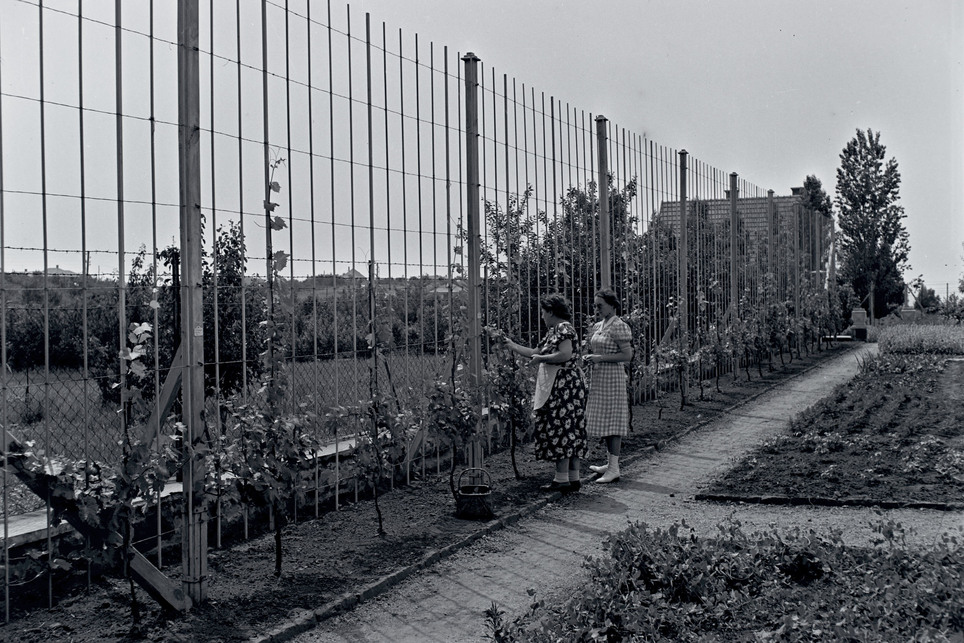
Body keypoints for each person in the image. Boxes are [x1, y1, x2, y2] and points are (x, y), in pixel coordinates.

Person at [503, 294, 587, 492]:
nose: (541, 316)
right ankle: (572, 478)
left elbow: (565, 354)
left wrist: (541, 359)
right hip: (565, 386)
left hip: (563, 387)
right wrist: (511, 345)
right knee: (570, 429)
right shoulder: (553, 331)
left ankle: (561, 480)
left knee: (561, 428)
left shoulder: (563, 328)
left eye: (543, 311)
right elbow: (535, 350)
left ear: (550, 311)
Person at [582, 288, 633, 483]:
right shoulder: (599, 326)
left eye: (600, 305)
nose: (596, 309)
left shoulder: (618, 326)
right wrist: (591, 358)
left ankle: (614, 468)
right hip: (601, 378)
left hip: (613, 378)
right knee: (605, 419)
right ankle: (610, 463)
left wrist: (601, 358)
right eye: (595, 305)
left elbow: (627, 356)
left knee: (613, 422)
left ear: (612, 305)